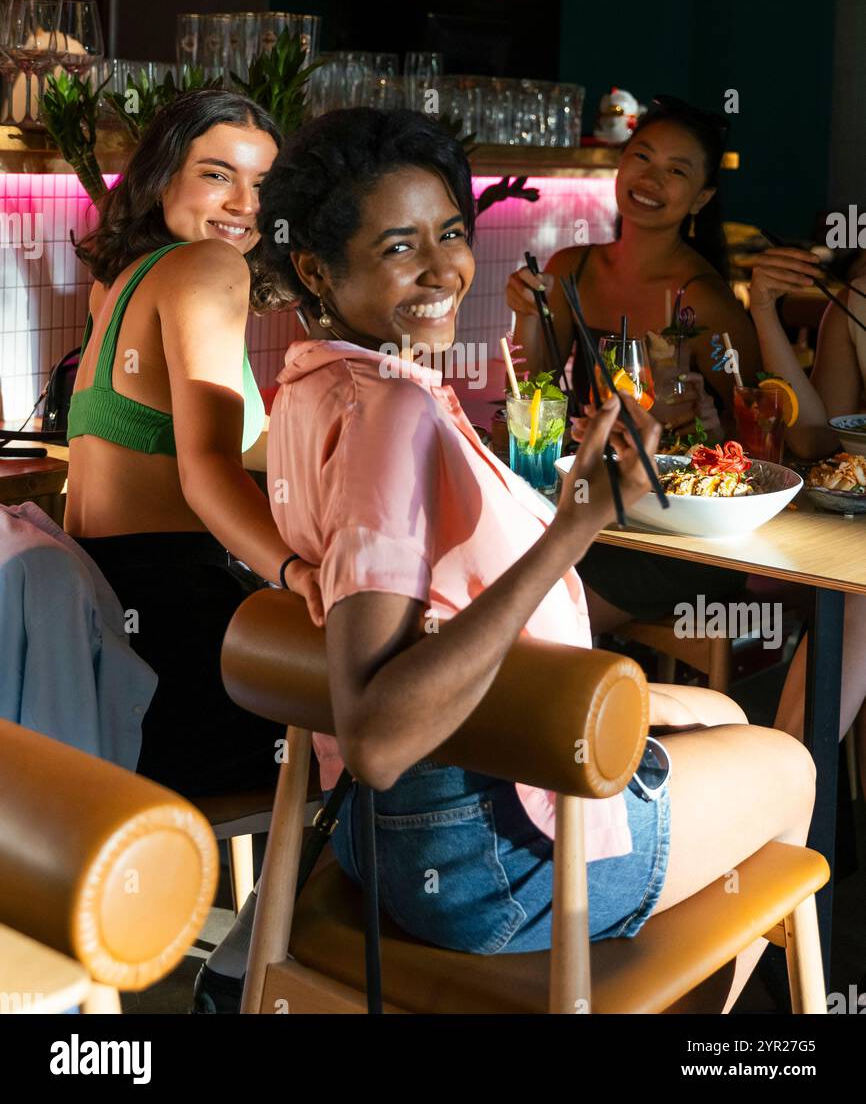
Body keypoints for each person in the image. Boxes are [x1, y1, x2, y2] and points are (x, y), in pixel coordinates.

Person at [198, 106, 815, 1013]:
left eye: (450, 233)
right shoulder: (393, 415)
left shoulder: (311, 384)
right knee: (790, 768)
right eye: (398, 247)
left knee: (718, 706)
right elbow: (374, 733)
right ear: (316, 268)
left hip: (380, 838)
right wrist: (577, 525)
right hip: (485, 863)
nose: (442, 270)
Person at [65, 90, 296, 798]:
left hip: (107, 627)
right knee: (394, 719)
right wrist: (297, 575)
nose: (245, 205)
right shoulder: (209, 269)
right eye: (218, 175)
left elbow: (218, 440)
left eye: (264, 185)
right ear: (162, 176)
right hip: (179, 635)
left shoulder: (119, 282)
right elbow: (206, 470)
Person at [506, 96, 761, 633]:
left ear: (702, 198)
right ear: (620, 165)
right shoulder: (571, 267)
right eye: (642, 158)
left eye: (676, 171)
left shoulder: (704, 303)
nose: (651, 179)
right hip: (587, 506)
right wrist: (527, 310)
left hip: (676, 533)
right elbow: (542, 385)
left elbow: (758, 431)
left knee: (533, 617)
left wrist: (698, 425)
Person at [749, 243, 866, 795]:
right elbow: (819, 439)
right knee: (851, 588)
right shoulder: (852, 300)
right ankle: (781, 804)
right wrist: (764, 309)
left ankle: (775, 805)